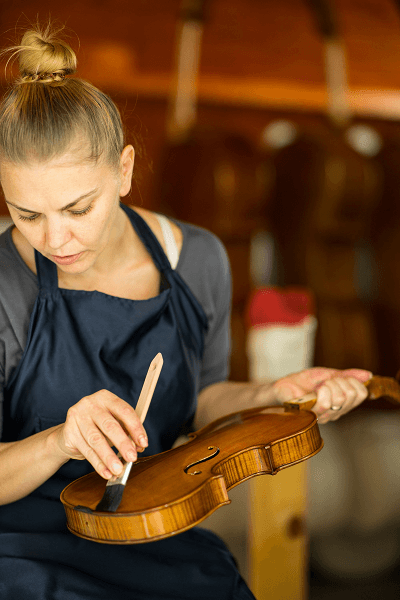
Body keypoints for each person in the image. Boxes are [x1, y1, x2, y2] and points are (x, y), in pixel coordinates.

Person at [0, 25, 371, 600]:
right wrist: (58, 442)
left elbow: (199, 402)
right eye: (26, 214)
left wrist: (272, 392)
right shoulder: (4, 281)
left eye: (79, 208)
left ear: (123, 171)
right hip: (19, 548)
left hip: (153, 533)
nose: (56, 239)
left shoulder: (197, 259)